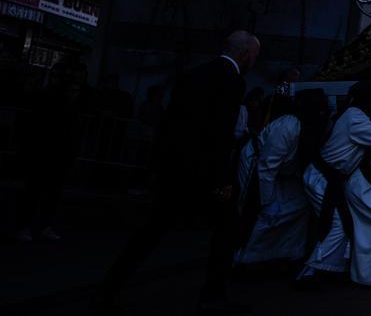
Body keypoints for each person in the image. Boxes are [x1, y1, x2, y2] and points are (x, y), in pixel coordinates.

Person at [94, 31, 261, 315]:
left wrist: (158, 166)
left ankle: (108, 289)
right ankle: (212, 295)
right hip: (206, 171)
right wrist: (222, 179)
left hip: (177, 168)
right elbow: (219, 133)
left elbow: (171, 125)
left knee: (151, 231)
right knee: (226, 229)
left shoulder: (193, 75)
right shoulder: (232, 82)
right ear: (245, 53)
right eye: (254, 56)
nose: (254, 61)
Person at [296, 80, 371, 285]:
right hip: (322, 178)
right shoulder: (354, 116)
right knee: (336, 223)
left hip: (327, 177)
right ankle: (311, 271)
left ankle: (317, 269)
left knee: (334, 222)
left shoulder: (354, 115)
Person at [234, 87, 330, 267]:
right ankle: (245, 257)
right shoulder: (288, 126)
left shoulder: (311, 126)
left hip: (283, 173)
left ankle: (285, 252)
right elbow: (267, 166)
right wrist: (268, 201)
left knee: (298, 206)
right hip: (257, 165)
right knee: (255, 209)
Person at [16, 58, 86, 243]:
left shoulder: (60, 103)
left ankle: (34, 226)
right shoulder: (54, 102)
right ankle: (29, 225)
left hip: (56, 153)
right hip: (47, 152)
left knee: (46, 192)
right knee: (37, 191)